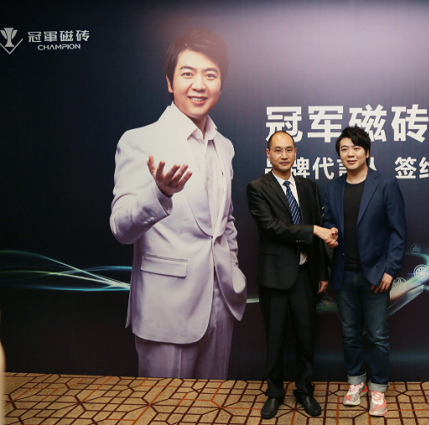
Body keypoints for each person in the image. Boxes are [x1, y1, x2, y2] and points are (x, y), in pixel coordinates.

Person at [110, 29, 246, 379]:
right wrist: (160, 193)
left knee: (214, 404)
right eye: (188, 73)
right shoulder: (140, 141)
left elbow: (225, 222)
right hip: (166, 309)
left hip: (221, 305)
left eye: (210, 75)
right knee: (164, 407)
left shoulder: (224, 146)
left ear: (221, 84)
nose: (199, 85)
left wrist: (233, 269)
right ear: (170, 82)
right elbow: (121, 228)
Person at [246, 131, 337, 419]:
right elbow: (272, 227)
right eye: (278, 150)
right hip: (274, 276)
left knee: (305, 337)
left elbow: (318, 230)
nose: (284, 155)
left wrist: (321, 272)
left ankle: (304, 390)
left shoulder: (309, 187)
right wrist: (313, 230)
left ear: (295, 152)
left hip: (305, 275)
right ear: (268, 154)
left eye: (289, 150)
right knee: (275, 339)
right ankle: (274, 393)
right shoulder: (257, 188)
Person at [323, 126, 406, 416]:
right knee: (349, 334)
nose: (350, 153)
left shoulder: (386, 184)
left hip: (376, 277)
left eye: (356, 148)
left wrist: (390, 270)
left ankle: (378, 389)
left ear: (367, 152)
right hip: (344, 275)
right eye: (344, 149)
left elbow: (398, 231)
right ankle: (356, 383)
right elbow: (329, 223)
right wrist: (330, 232)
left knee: (378, 335)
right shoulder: (333, 187)